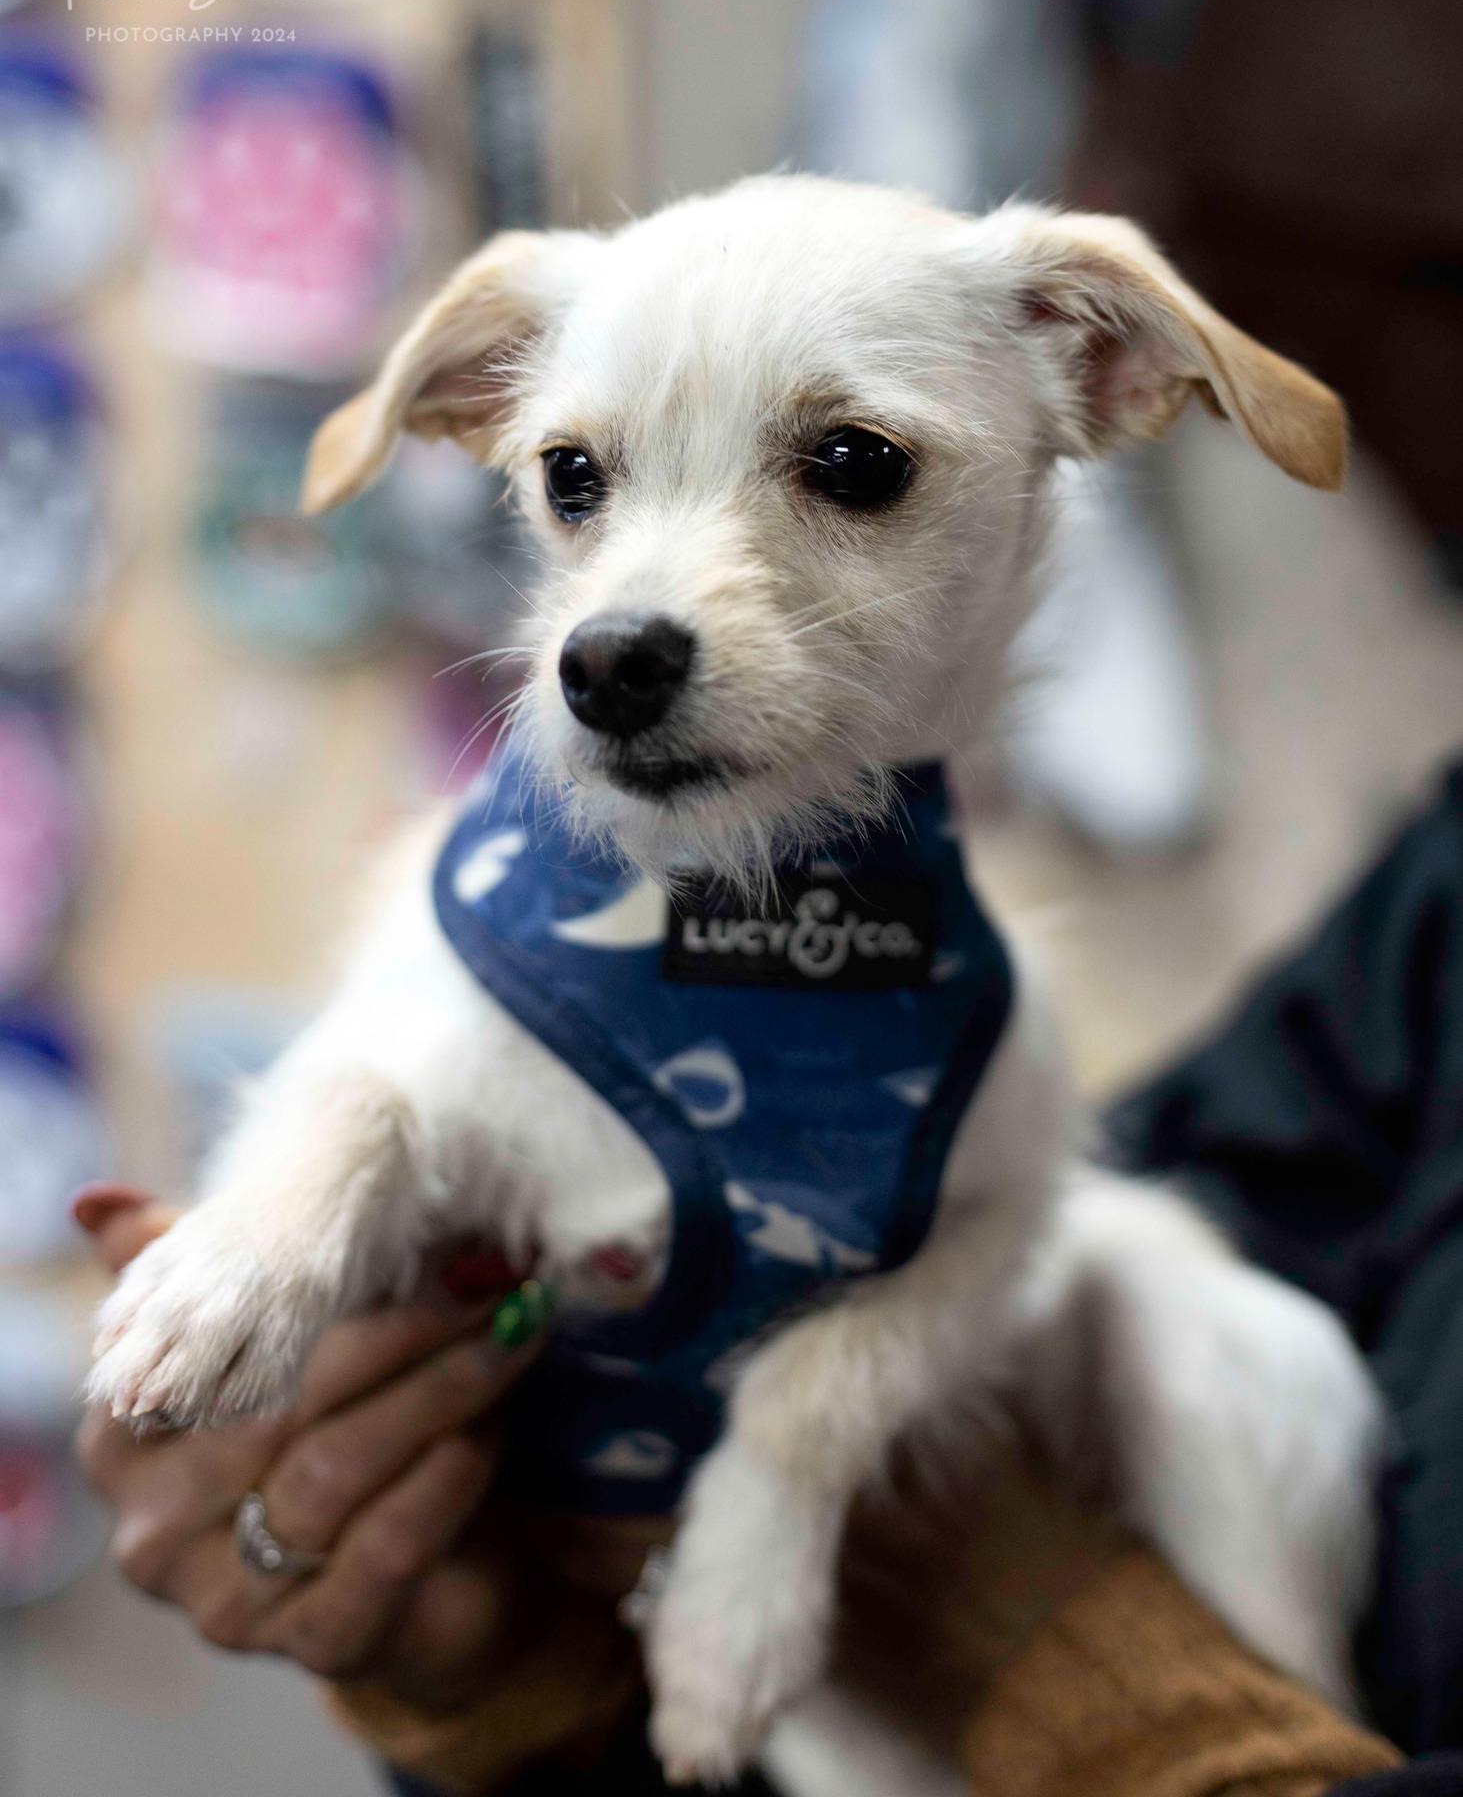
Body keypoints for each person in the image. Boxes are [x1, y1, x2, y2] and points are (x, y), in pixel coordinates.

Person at [76, 758, 1463, 1794]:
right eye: (576, 476)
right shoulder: (529, 907)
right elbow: (1194, 1165)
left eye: (851, 468)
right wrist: (499, 1685)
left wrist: (1054, 1645)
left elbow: (1031, 1199)